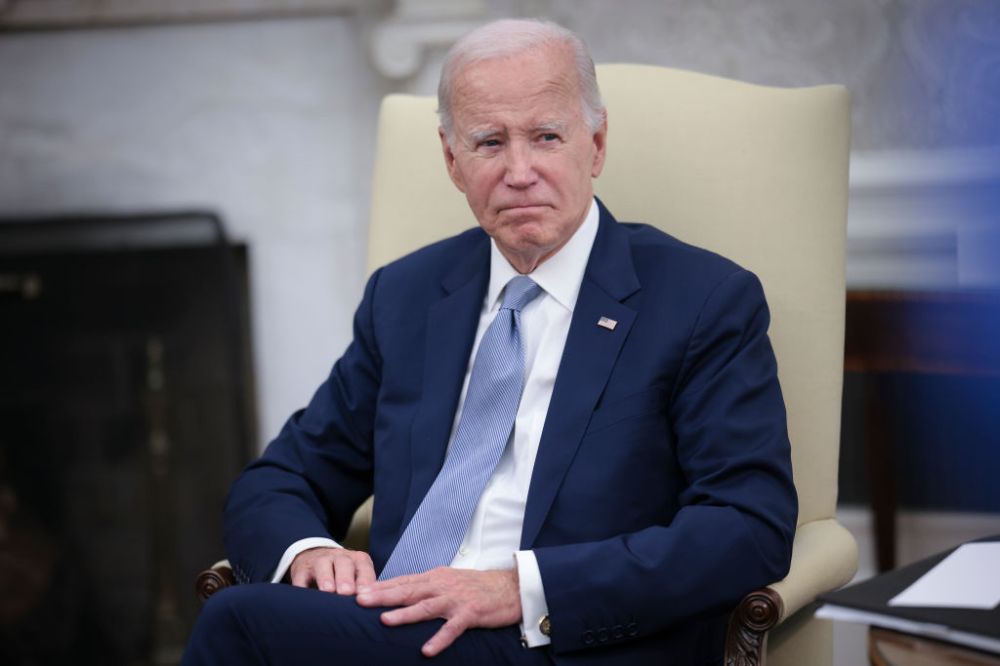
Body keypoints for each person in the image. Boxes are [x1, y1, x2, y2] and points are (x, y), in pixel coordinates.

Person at [183, 18, 797, 666]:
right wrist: (309, 552)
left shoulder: (701, 299)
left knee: (238, 626)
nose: (519, 171)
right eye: (489, 142)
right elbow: (282, 478)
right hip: (402, 628)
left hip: (563, 641)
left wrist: (522, 590)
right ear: (453, 160)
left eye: (546, 137)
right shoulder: (408, 297)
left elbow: (746, 525)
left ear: (597, 142)